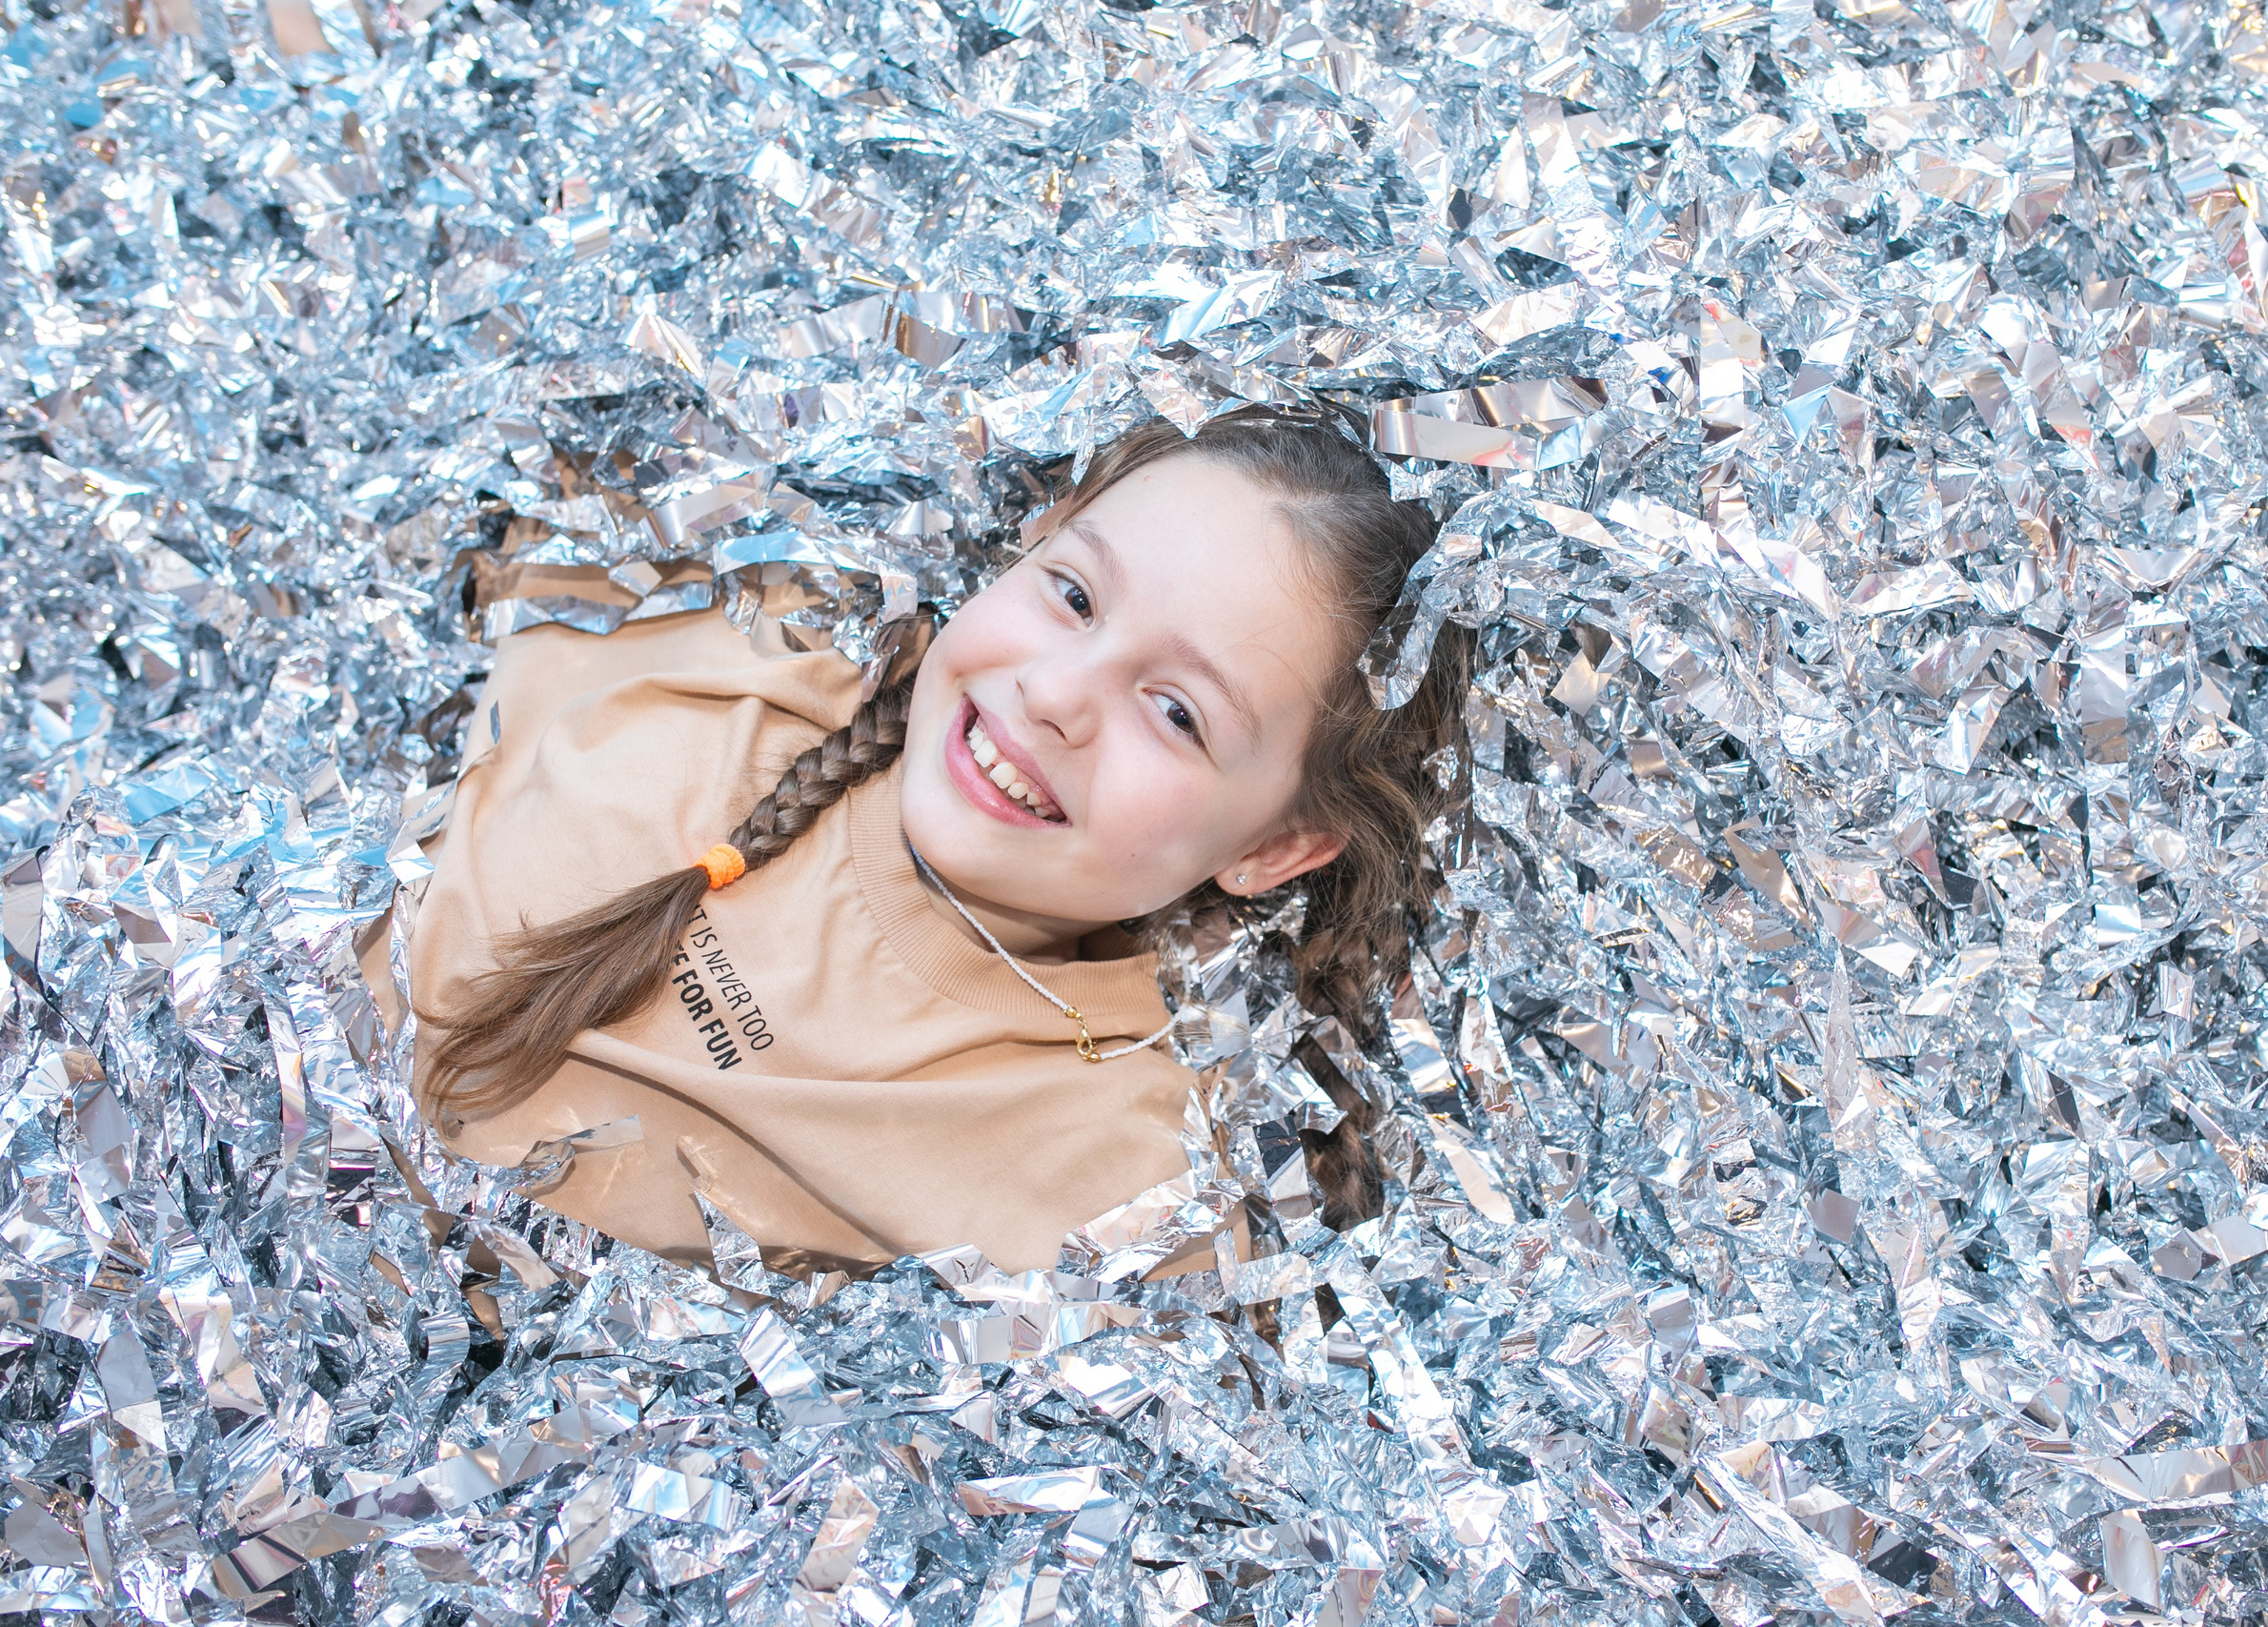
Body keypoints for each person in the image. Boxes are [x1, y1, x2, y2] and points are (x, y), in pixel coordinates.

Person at [405, 404, 1471, 1277]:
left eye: (1177, 712)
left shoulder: (1128, 1201)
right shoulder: (733, 657)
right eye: (1073, 594)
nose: (1054, 694)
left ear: (1275, 852)